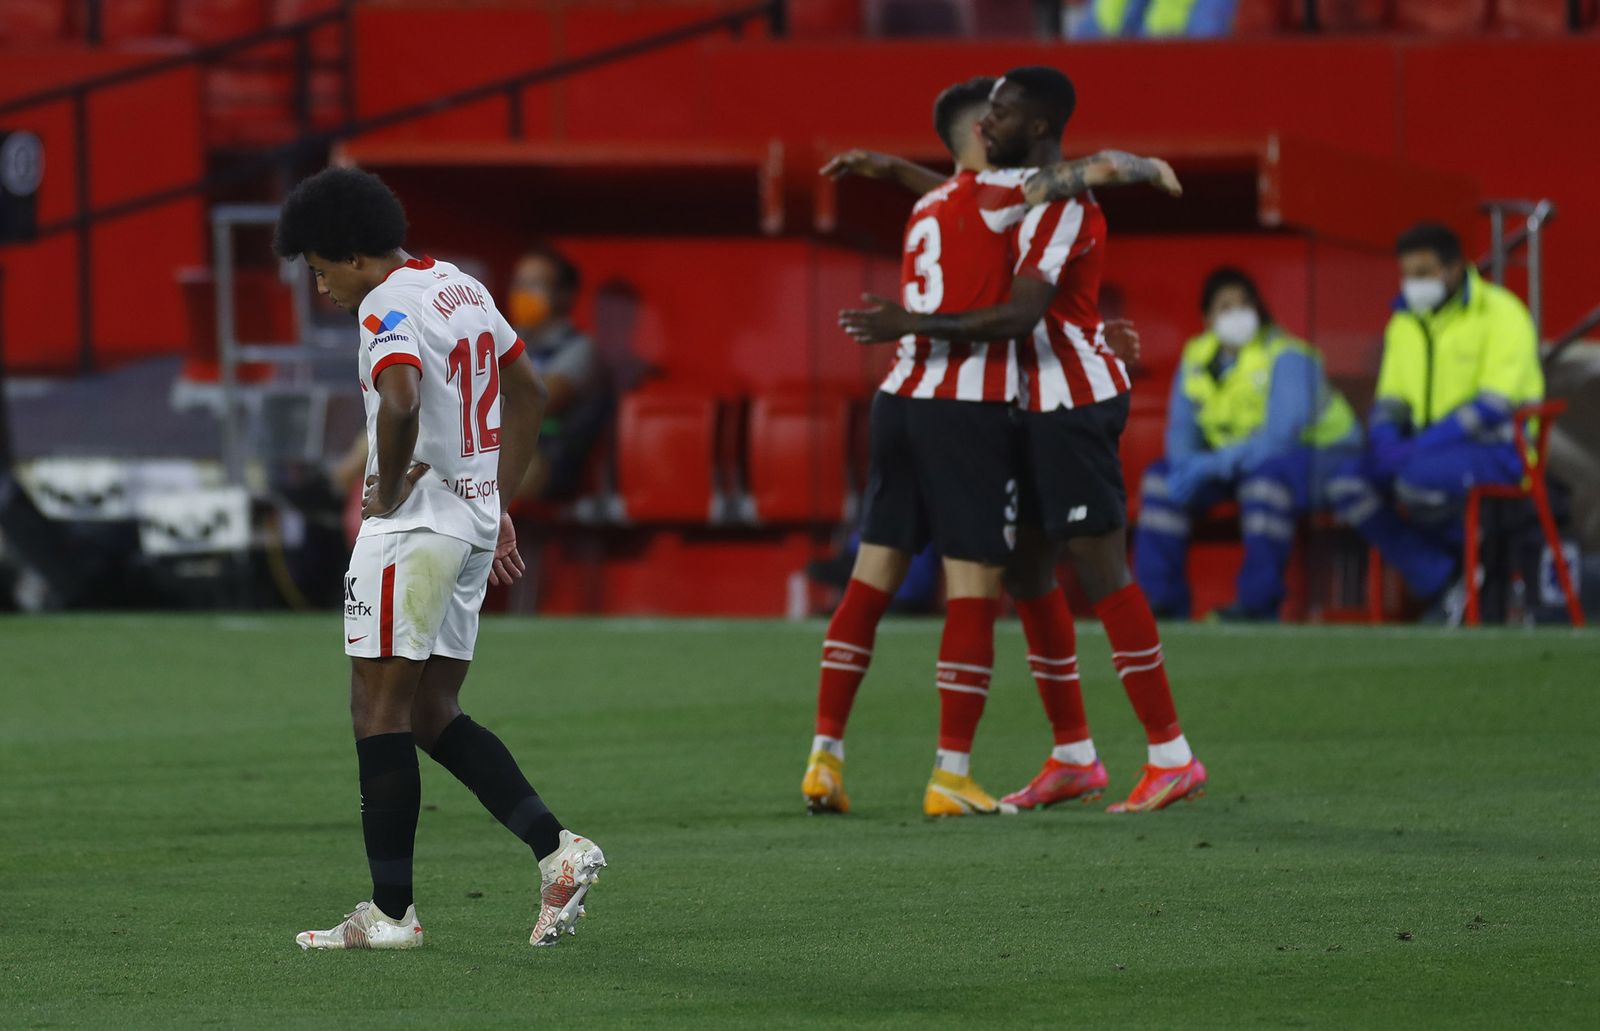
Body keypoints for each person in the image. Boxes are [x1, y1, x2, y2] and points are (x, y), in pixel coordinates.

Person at [841, 66, 1208, 814]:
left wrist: (907, 324)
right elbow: (961, 197)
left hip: (1072, 407)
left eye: (1002, 113)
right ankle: (1074, 754)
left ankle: (1172, 753)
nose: (988, 122)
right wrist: (890, 169)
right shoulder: (1025, 195)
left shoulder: (1062, 201)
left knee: (1102, 570)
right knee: (1030, 573)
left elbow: (1020, 316)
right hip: (1030, 406)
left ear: (1038, 128)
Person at [272, 167, 606, 952]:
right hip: (467, 526)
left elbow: (399, 401)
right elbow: (529, 394)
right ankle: (559, 851)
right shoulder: (461, 287)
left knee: (377, 711)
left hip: (413, 531)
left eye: (321, 270)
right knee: (430, 712)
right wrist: (496, 500)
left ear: (352, 256)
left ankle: (392, 915)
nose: (321, 289)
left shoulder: (385, 304)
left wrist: (383, 488)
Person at [1329, 222, 1544, 621]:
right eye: (1407, 274)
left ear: (1454, 268)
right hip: (1423, 451)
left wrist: (1418, 448)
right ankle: (1445, 579)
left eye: (1424, 273)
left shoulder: (1502, 313)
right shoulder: (1405, 321)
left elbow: (1493, 405)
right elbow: (1391, 399)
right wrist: (1384, 439)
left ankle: (1473, 571)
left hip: (1498, 449)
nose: (1414, 283)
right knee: (1347, 483)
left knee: (1414, 479)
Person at [1133, 267, 1360, 621]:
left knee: (1264, 486)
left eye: (1245, 304)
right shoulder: (1196, 357)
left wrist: (1208, 466)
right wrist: (1186, 466)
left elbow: (1279, 440)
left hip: (1308, 460)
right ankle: (1160, 604)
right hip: (1236, 464)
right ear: (1207, 317)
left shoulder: (1287, 354)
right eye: (1225, 306)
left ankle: (1258, 605)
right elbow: (1181, 430)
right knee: (1162, 481)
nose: (1237, 313)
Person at [506, 245, 613, 502]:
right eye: (519, 283)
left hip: (554, 458)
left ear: (564, 295)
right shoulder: (507, 340)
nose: (522, 293)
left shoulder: (580, 349)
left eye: (535, 285)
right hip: (502, 448)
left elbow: (541, 399)